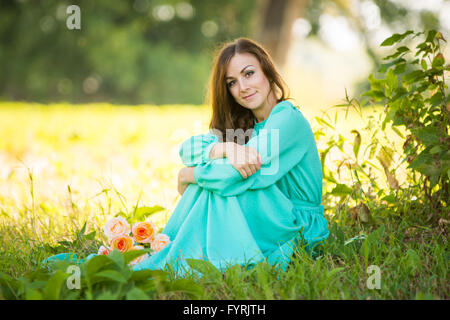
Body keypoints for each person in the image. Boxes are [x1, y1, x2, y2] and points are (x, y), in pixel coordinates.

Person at [132, 38, 329, 275]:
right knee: (217, 180)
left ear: (267, 71)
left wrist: (188, 174)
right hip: (270, 214)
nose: (242, 87)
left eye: (249, 74)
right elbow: (188, 149)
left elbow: (231, 175)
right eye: (232, 82)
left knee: (220, 185)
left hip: (297, 225)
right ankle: (175, 250)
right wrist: (225, 148)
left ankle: (178, 253)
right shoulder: (246, 125)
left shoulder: (286, 119)